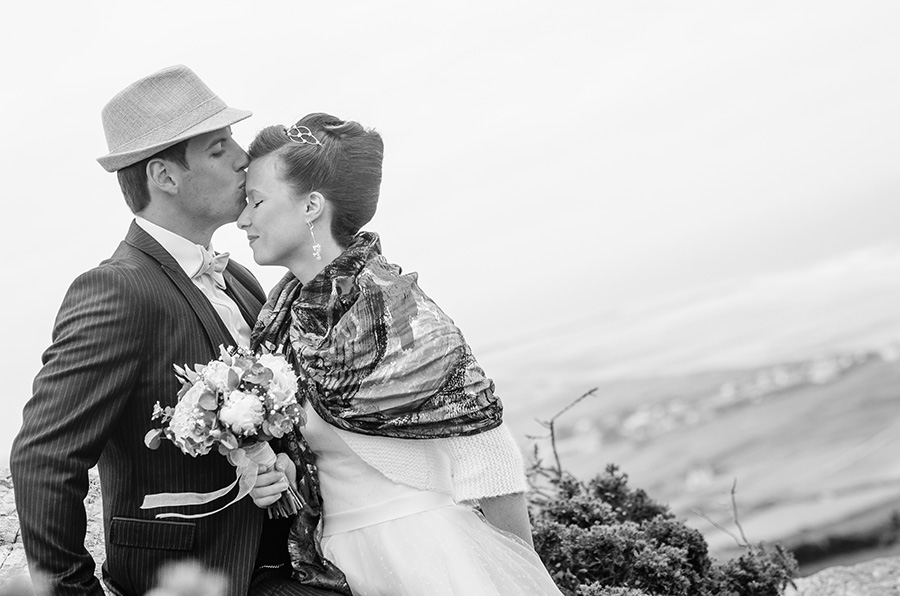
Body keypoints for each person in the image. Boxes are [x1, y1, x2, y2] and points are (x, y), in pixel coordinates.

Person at [10, 66, 346, 596]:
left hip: (295, 564)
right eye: (219, 148)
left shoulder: (237, 276)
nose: (242, 158)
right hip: (192, 580)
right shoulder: (116, 290)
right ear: (165, 176)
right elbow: (43, 459)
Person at [241, 113, 565, 596]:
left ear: (311, 205)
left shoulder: (394, 307)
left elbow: (485, 447)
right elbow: (321, 455)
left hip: (427, 556)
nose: (243, 219)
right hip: (335, 565)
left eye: (256, 201)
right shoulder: (280, 321)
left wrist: (519, 572)